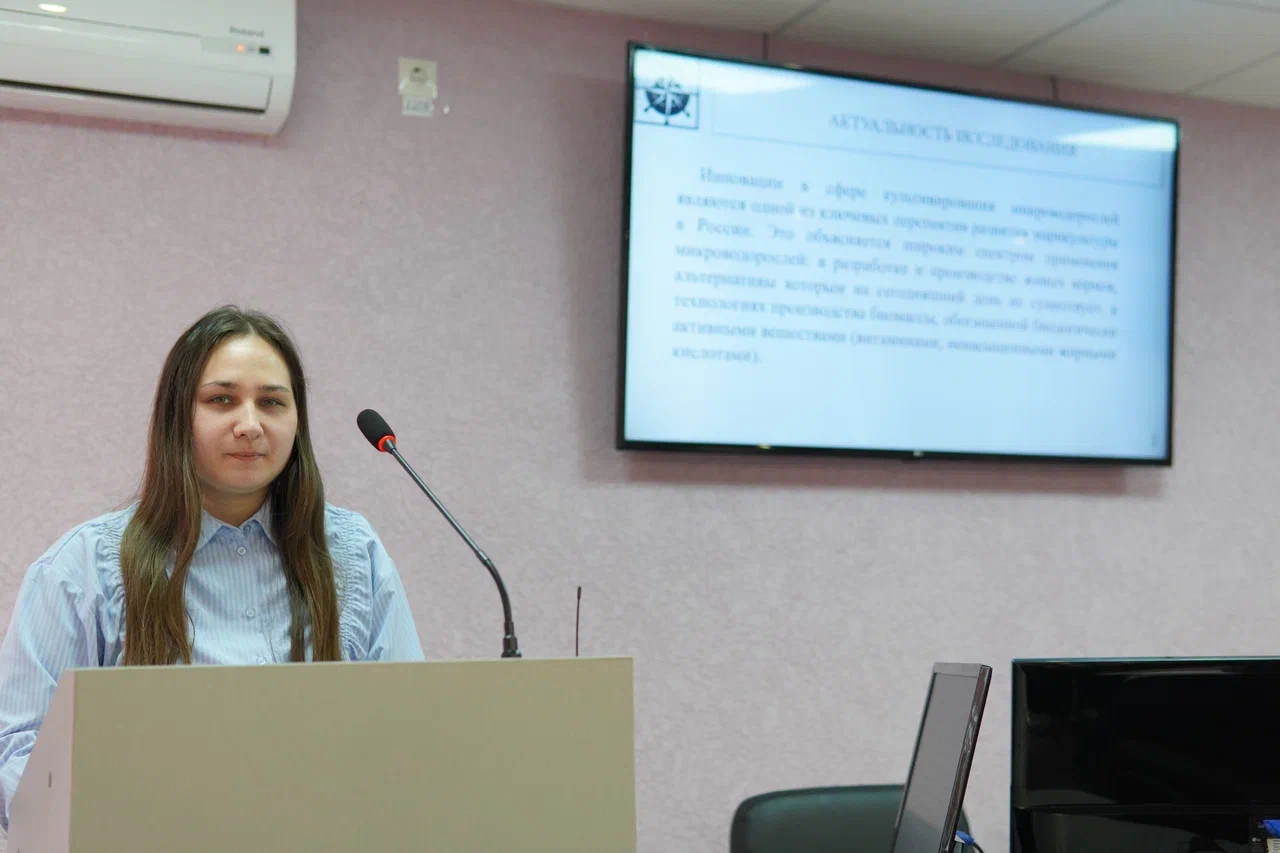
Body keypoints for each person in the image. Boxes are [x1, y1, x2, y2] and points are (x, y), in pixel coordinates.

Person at [0, 306, 423, 828]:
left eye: (271, 402)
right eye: (222, 399)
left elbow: (410, 734)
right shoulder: (83, 567)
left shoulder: (353, 555)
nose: (250, 425)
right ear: (178, 416)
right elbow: (17, 752)